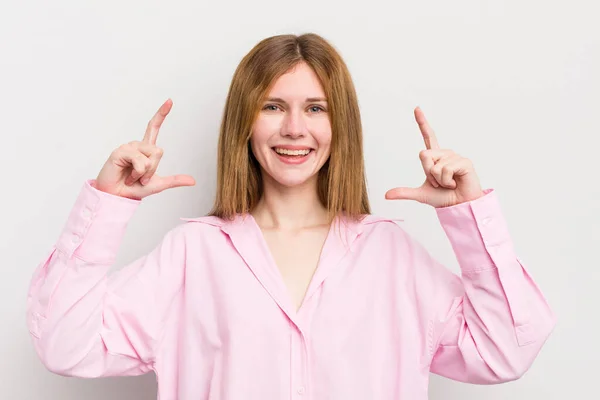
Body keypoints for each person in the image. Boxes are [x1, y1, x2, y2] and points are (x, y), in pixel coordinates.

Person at [26, 33, 556, 399]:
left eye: (316, 108)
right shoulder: (194, 255)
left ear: (338, 124)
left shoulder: (389, 256)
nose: (294, 129)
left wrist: (468, 215)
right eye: (273, 106)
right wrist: (107, 204)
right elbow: (64, 342)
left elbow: (506, 350)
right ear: (246, 121)